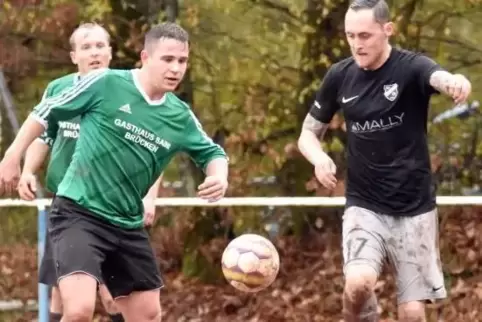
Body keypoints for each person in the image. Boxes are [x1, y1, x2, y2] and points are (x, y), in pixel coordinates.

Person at [0, 22, 228, 322]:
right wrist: (13, 156)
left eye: (182, 61)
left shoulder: (180, 116)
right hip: (78, 214)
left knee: (147, 315)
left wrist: (218, 175)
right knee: (79, 310)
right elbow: (45, 112)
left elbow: (213, 153)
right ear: (145, 58)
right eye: (167, 59)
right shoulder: (105, 83)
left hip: (126, 224)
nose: (176, 68)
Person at [297, 1, 471, 321]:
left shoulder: (410, 67)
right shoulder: (340, 76)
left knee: (413, 313)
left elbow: (439, 77)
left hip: (414, 208)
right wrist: (319, 158)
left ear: (387, 30)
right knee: (358, 285)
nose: (357, 44)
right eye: (351, 35)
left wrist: (456, 82)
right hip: (365, 205)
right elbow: (307, 134)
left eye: (365, 35)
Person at [16, 23, 136, 322]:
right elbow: (43, 137)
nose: (94, 52)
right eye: (86, 47)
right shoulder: (59, 89)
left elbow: (148, 149)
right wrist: (28, 170)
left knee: (113, 294)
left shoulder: (130, 94)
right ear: (74, 56)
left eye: (99, 46)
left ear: (109, 52)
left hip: (112, 207)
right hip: (67, 205)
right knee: (61, 289)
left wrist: (148, 195)